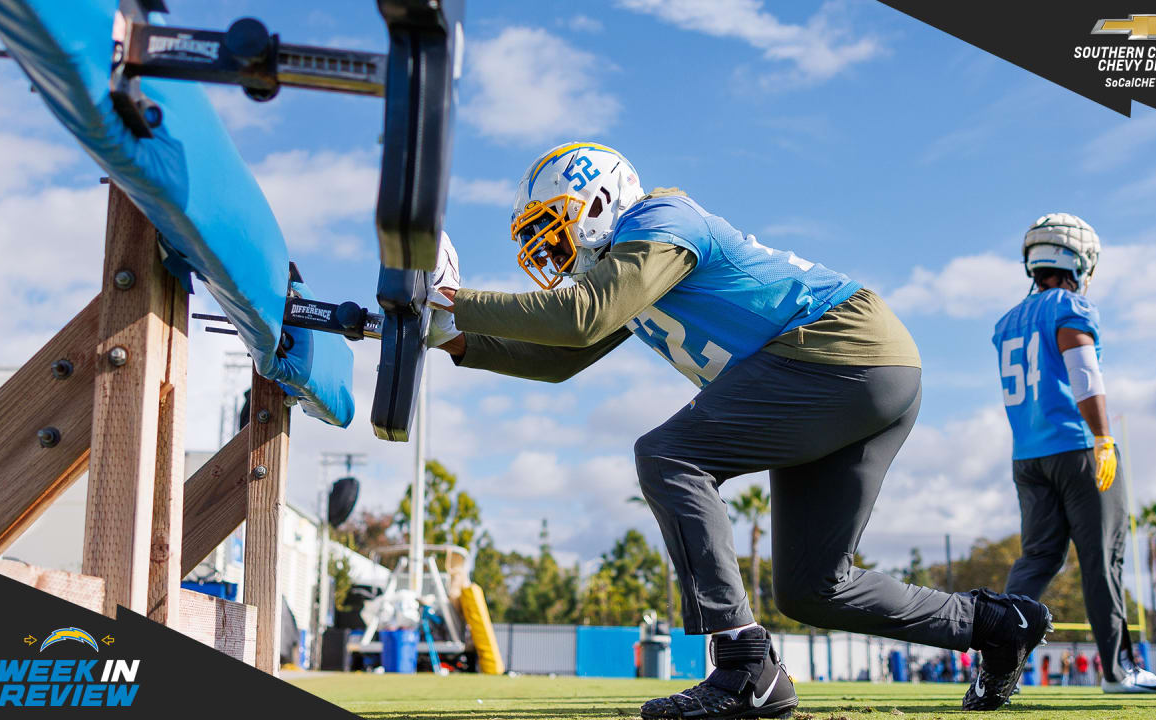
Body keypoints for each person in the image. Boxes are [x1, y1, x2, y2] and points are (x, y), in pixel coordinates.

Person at [426, 142, 1052, 715]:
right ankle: (995, 624)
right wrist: (455, 339)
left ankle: (743, 663)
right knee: (812, 590)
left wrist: (454, 298)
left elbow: (581, 317)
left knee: (670, 456)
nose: (550, 245)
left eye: (552, 224)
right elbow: (561, 356)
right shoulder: (629, 268)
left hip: (840, 350)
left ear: (597, 200)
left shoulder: (658, 220)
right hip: (863, 372)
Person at [992, 214, 1156, 695]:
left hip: (1027, 457)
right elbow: (1084, 374)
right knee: (1102, 559)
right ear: (1079, 260)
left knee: (1036, 559)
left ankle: (994, 657)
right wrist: (1102, 437)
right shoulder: (1069, 307)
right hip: (1075, 446)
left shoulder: (1007, 320)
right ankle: (1119, 671)